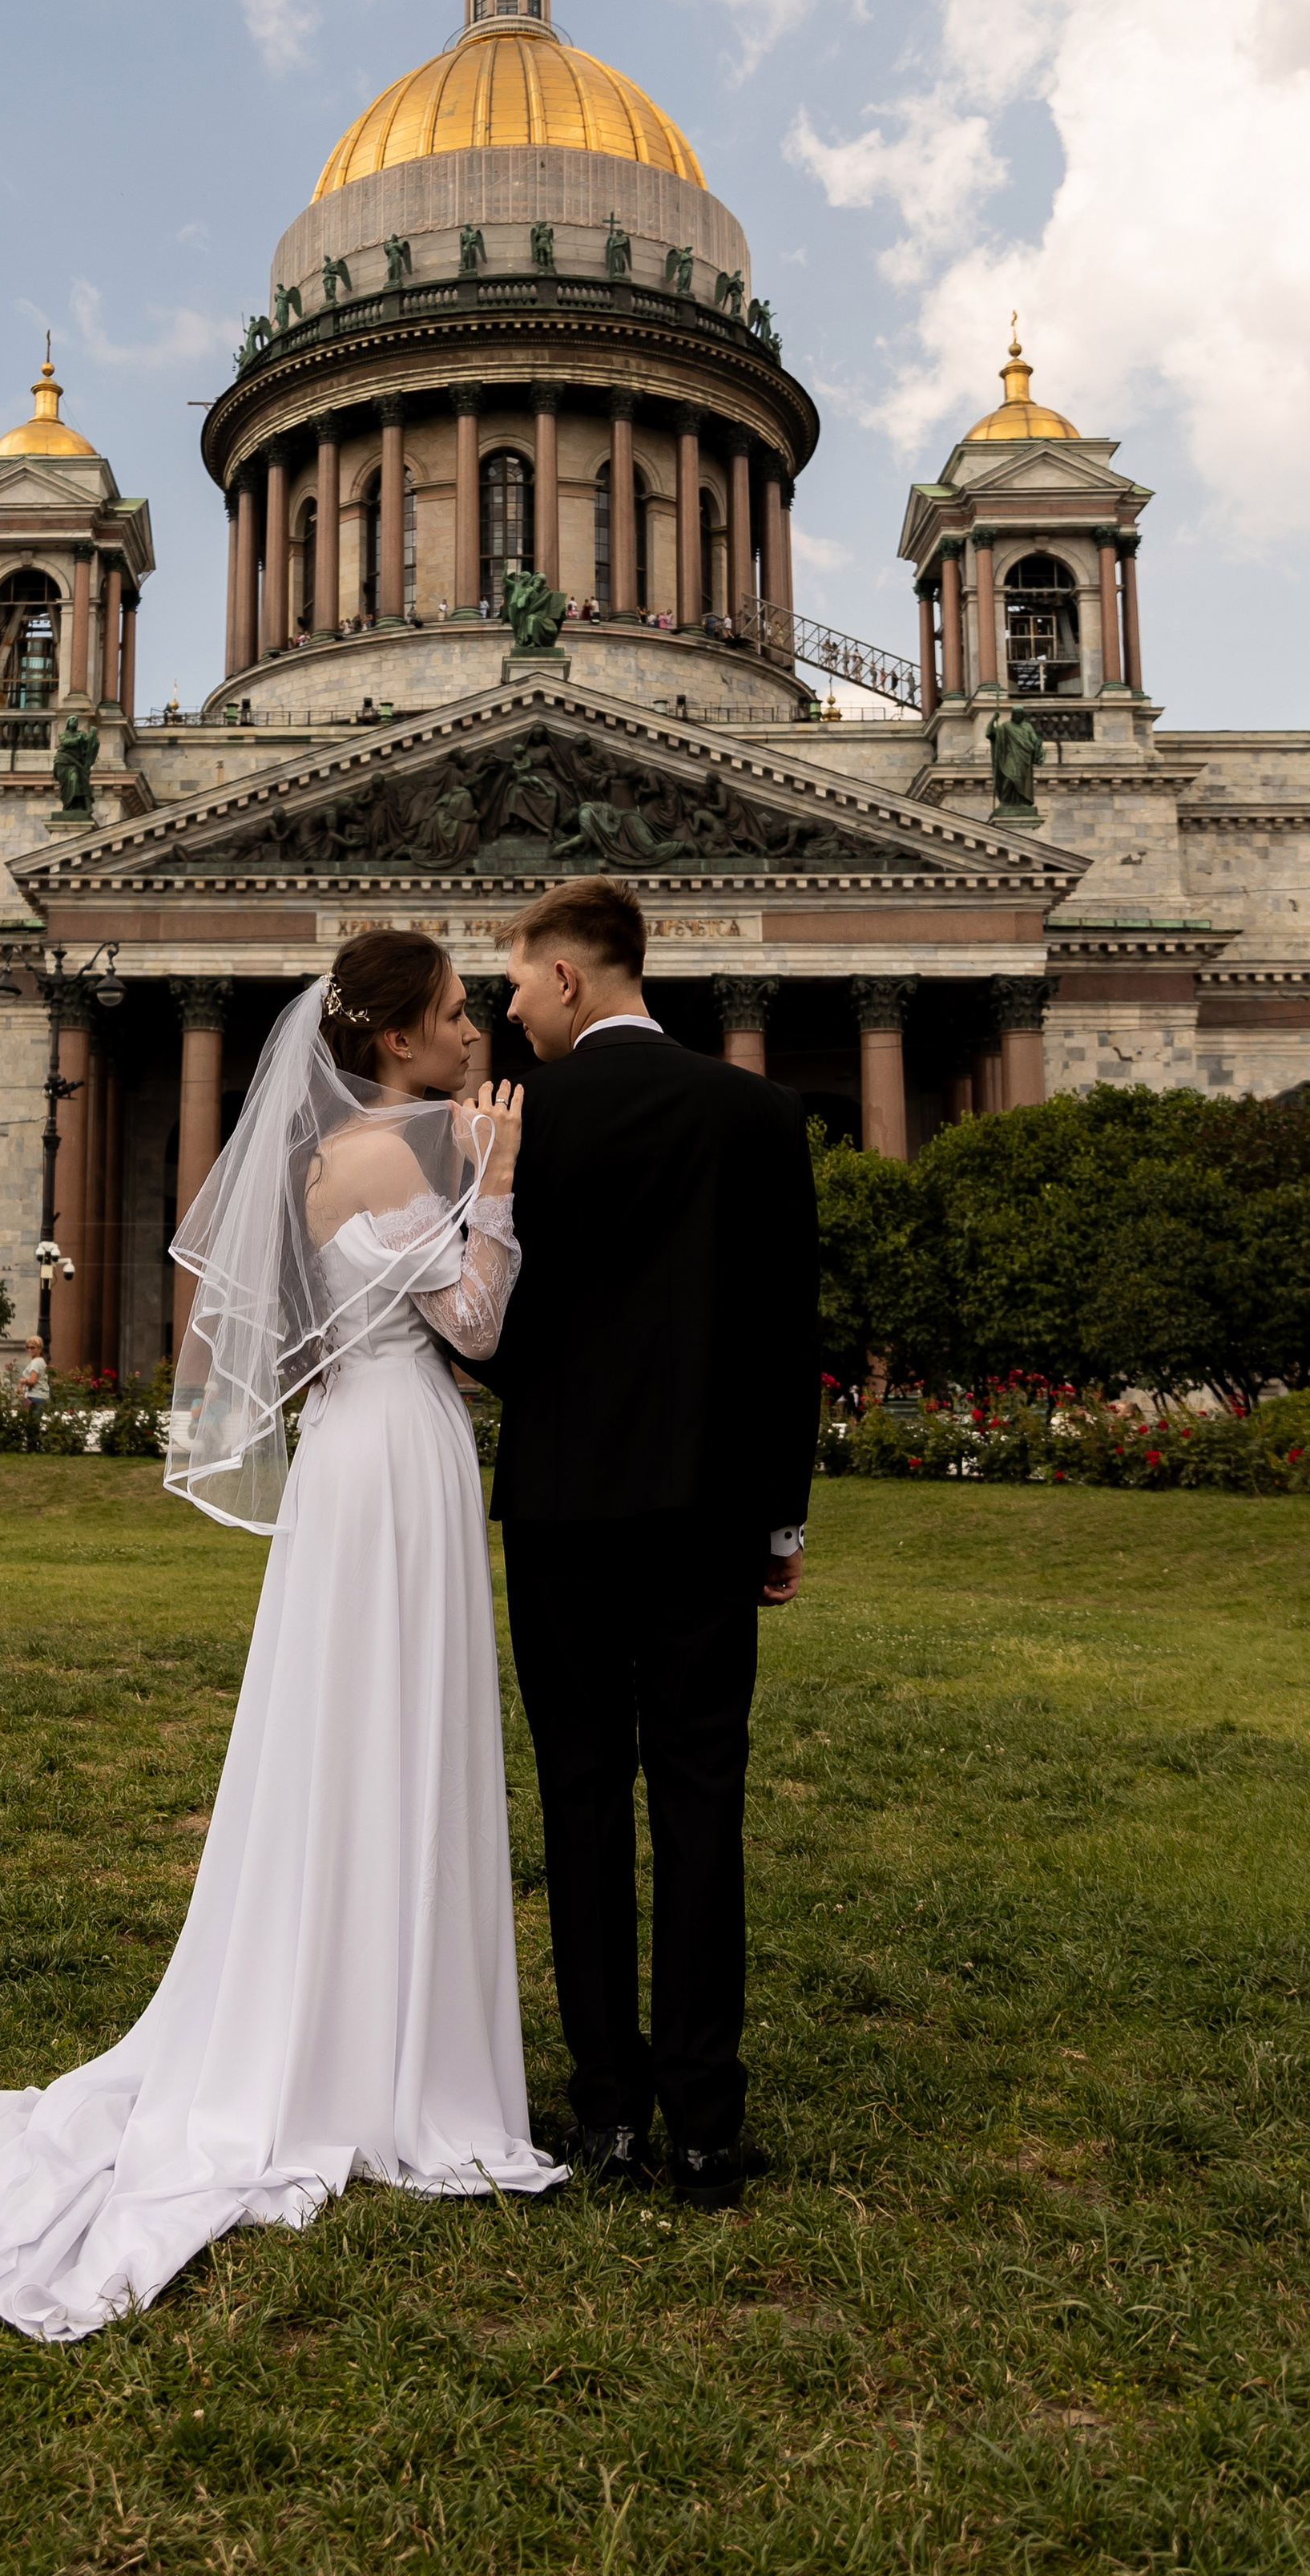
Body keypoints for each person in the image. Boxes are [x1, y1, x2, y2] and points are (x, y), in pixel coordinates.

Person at [0, 934, 562, 2342]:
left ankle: (339, 2016)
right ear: (393, 1039)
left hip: (354, 1457)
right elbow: (478, 1325)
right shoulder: (421, 1151)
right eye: (456, 1015)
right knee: (401, 1731)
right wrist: (499, 1184)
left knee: (343, 1738)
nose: (475, 1035)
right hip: (400, 1455)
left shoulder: (325, 1157)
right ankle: (397, 2060)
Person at [479, 875, 817, 2210]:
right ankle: (704, 2129)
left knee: (578, 1799)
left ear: (570, 978)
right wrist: (777, 1518)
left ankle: (606, 2111)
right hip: (705, 1516)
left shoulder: (513, 1125)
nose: (508, 1010)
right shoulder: (755, 1114)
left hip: (561, 1513)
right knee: (700, 1803)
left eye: (514, 983)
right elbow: (786, 1343)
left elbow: (488, 1328)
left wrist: (561, 1404)